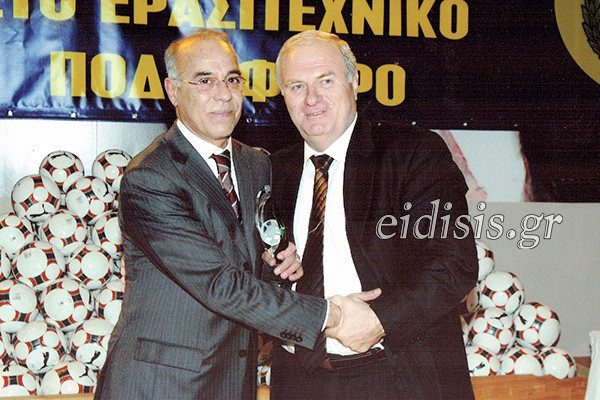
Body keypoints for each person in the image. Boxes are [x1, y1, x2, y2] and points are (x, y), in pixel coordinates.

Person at [94, 29, 381, 400]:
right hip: (161, 385)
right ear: (173, 90)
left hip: (232, 381)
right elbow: (218, 283)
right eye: (205, 81)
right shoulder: (151, 177)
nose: (224, 94)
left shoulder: (255, 164)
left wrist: (277, 264)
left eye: (232, 79)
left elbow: (247, 262)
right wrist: (332, 316)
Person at [266, 30, 478, 399]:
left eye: (326, 81)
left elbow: (453, 263)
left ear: (354, 82)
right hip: (296, 381)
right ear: (283, 95)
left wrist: (381, 320)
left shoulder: (414, 153)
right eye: (297, 86)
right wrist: (271, 265)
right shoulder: (272, 170)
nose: (312, 98)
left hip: (393, 379)